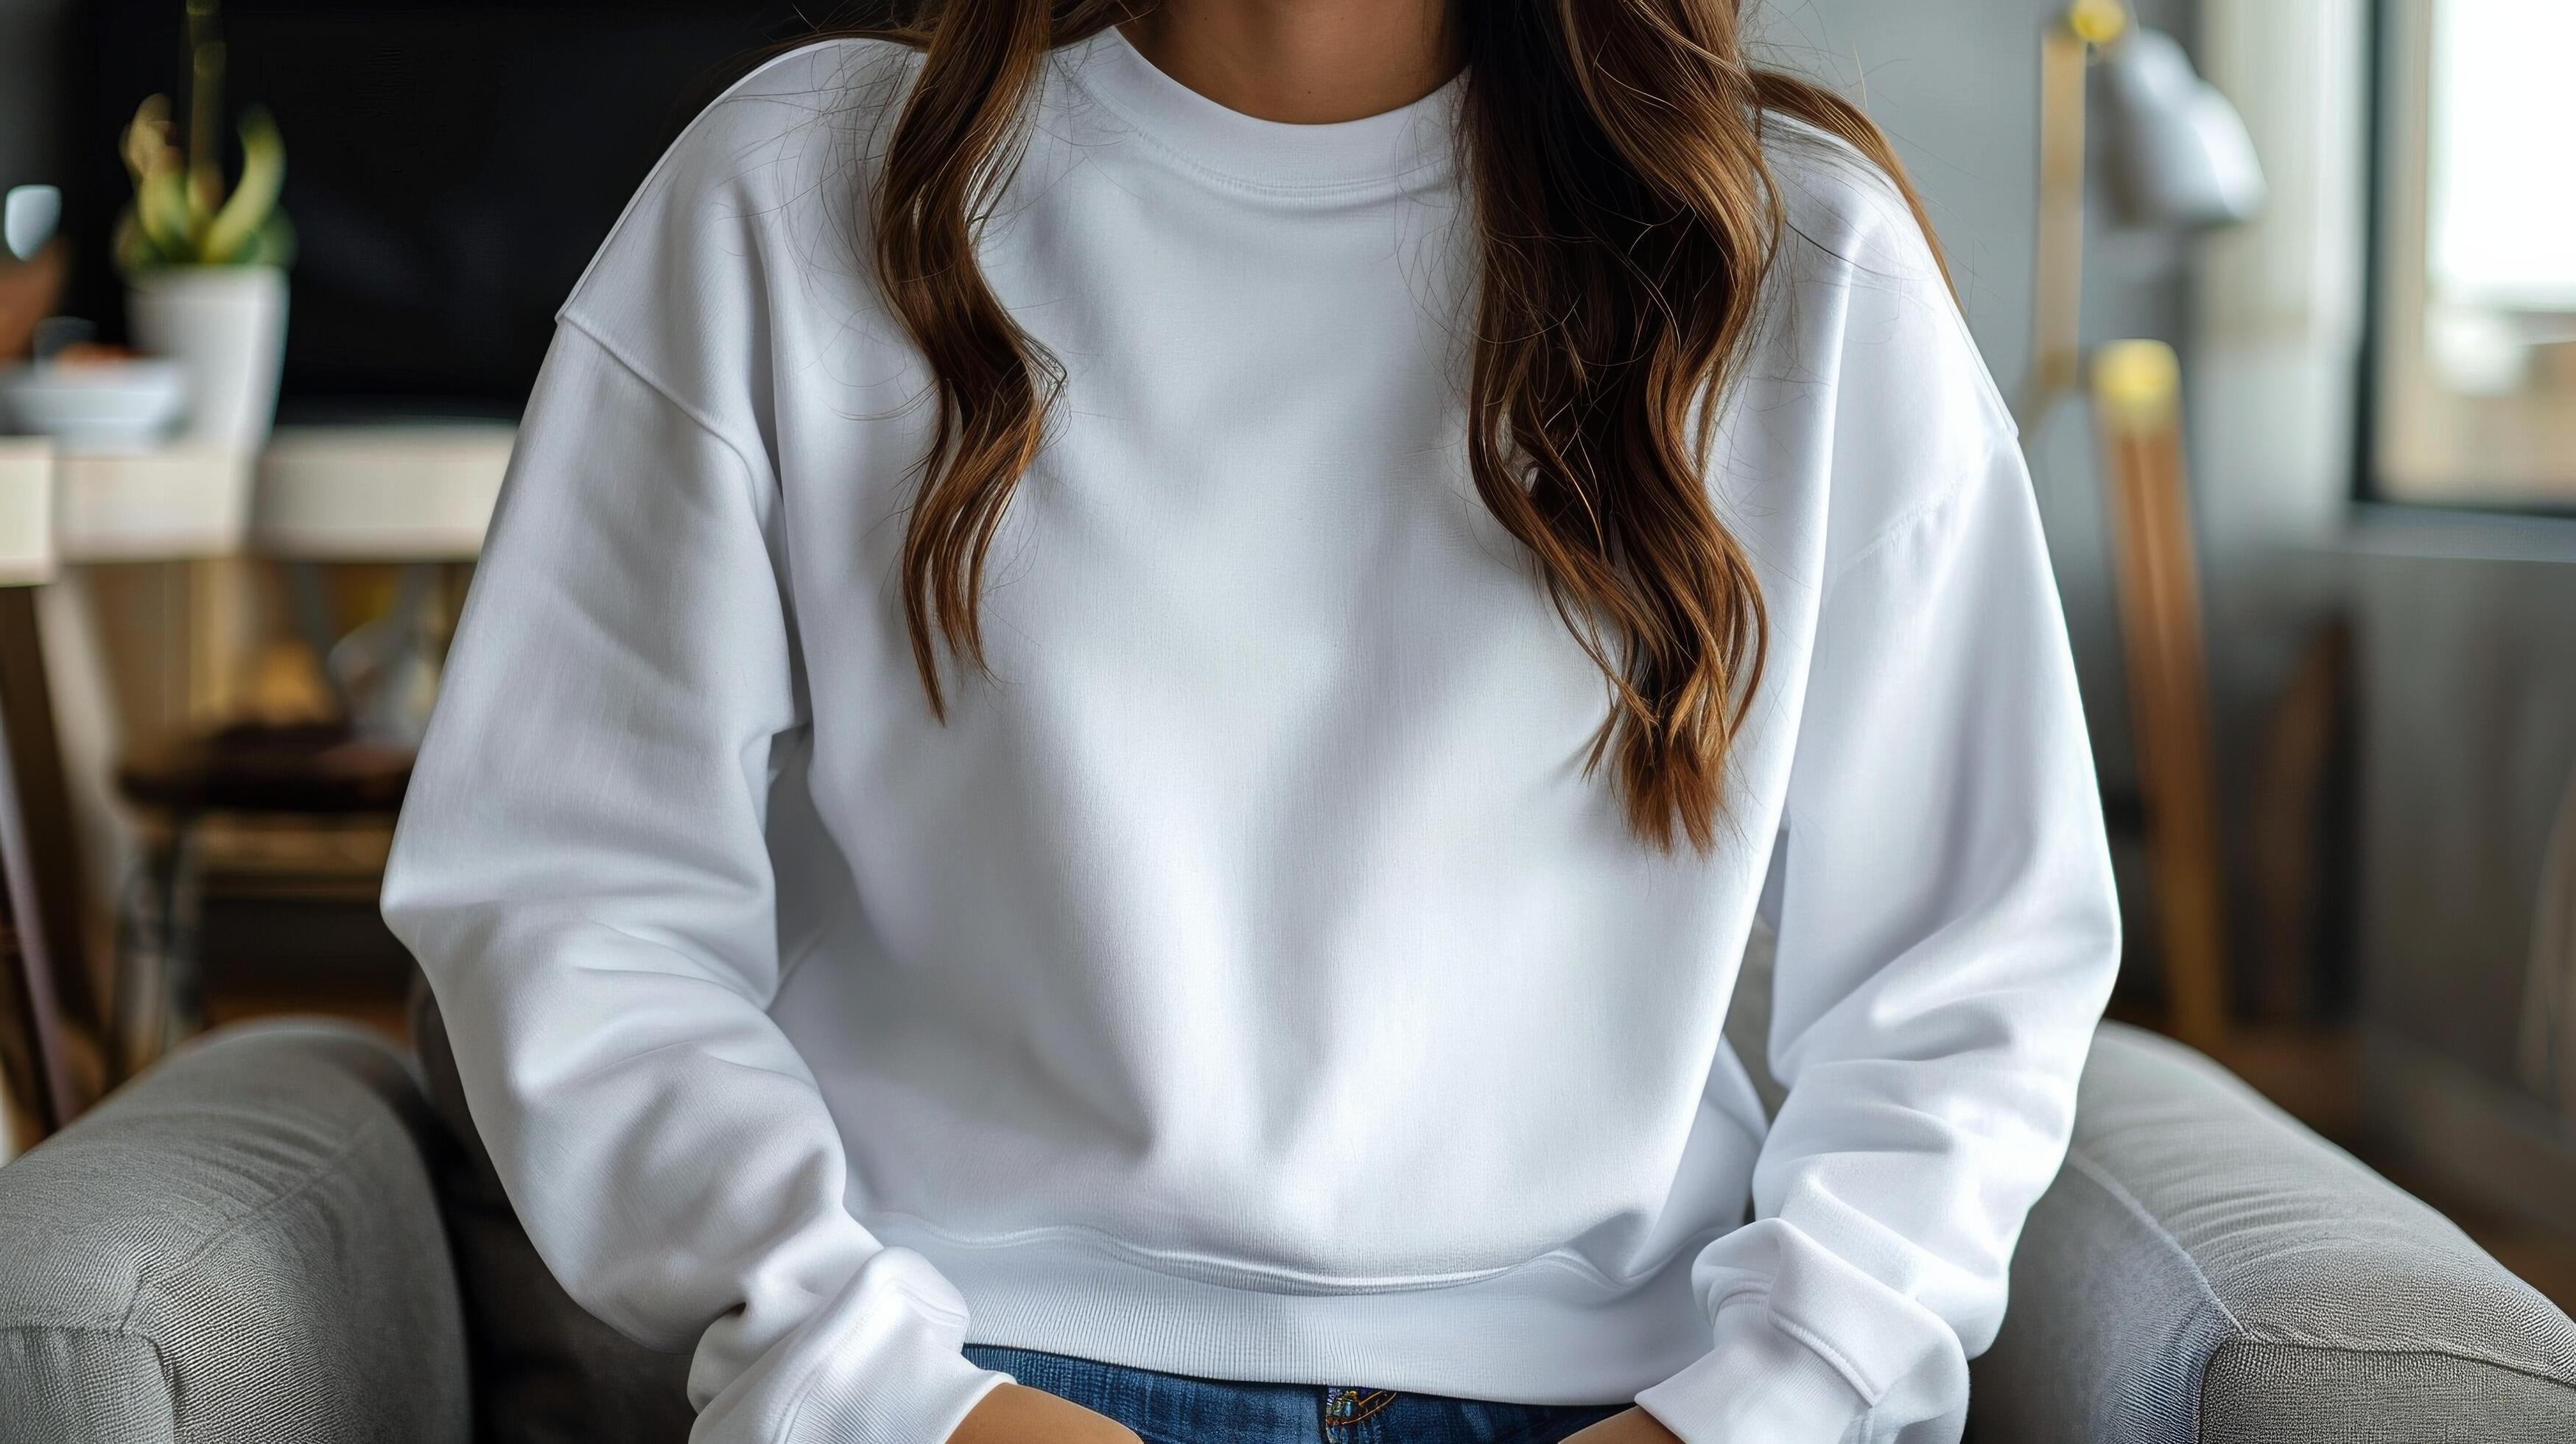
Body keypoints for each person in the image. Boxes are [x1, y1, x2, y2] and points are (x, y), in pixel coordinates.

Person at [381, 1, 2120, 1440]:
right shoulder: (792, 200)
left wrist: (1770, 1402)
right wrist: (869, 1381)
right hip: (961, 1379)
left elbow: (1970, 979)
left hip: (1621, 1399)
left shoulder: (1801, 269)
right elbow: (568, 895)